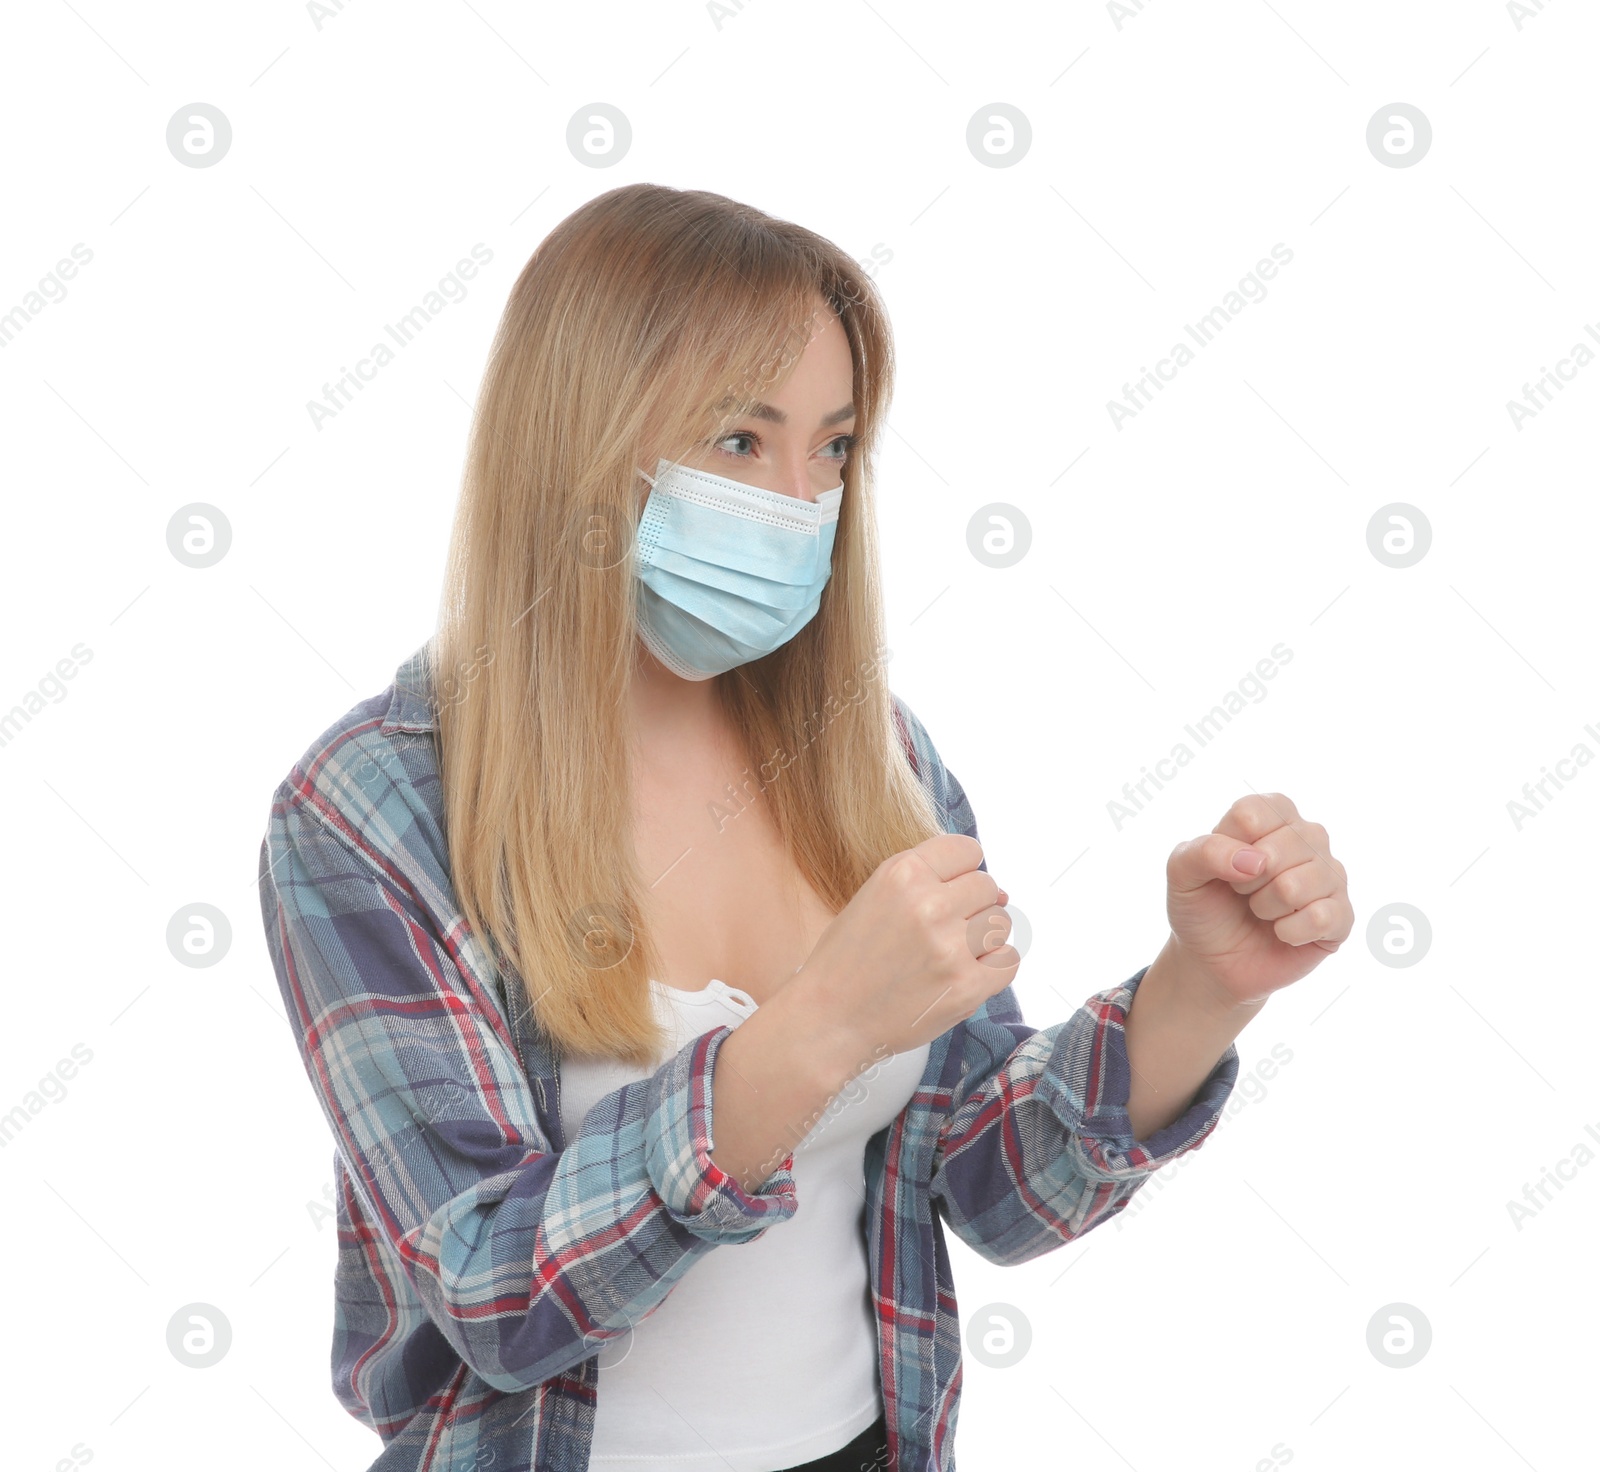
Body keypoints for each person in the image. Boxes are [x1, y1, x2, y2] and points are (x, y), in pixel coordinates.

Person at [257, 182, 1352, 1472]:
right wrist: (815, 1027)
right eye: (738, 440)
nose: (797, 502)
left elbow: (990, 1189)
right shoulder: (374, 815)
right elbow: (497, 1298)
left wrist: (1201, 990)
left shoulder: (869, 757)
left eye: (830, 447)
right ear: (581, 448)